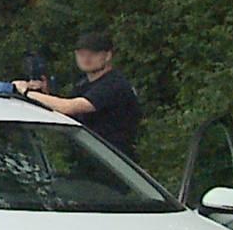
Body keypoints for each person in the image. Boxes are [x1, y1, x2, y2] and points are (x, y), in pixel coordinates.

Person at [14, 31, 142, 157]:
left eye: (92, 54)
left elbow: (69, 107)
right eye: (81, 54)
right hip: (90, 157)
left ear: (107, 56)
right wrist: (45, 92)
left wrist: (27, 92)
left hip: (113, 160)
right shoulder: (83, 84)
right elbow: (63, 112)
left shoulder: (114, 84)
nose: (86, 59)